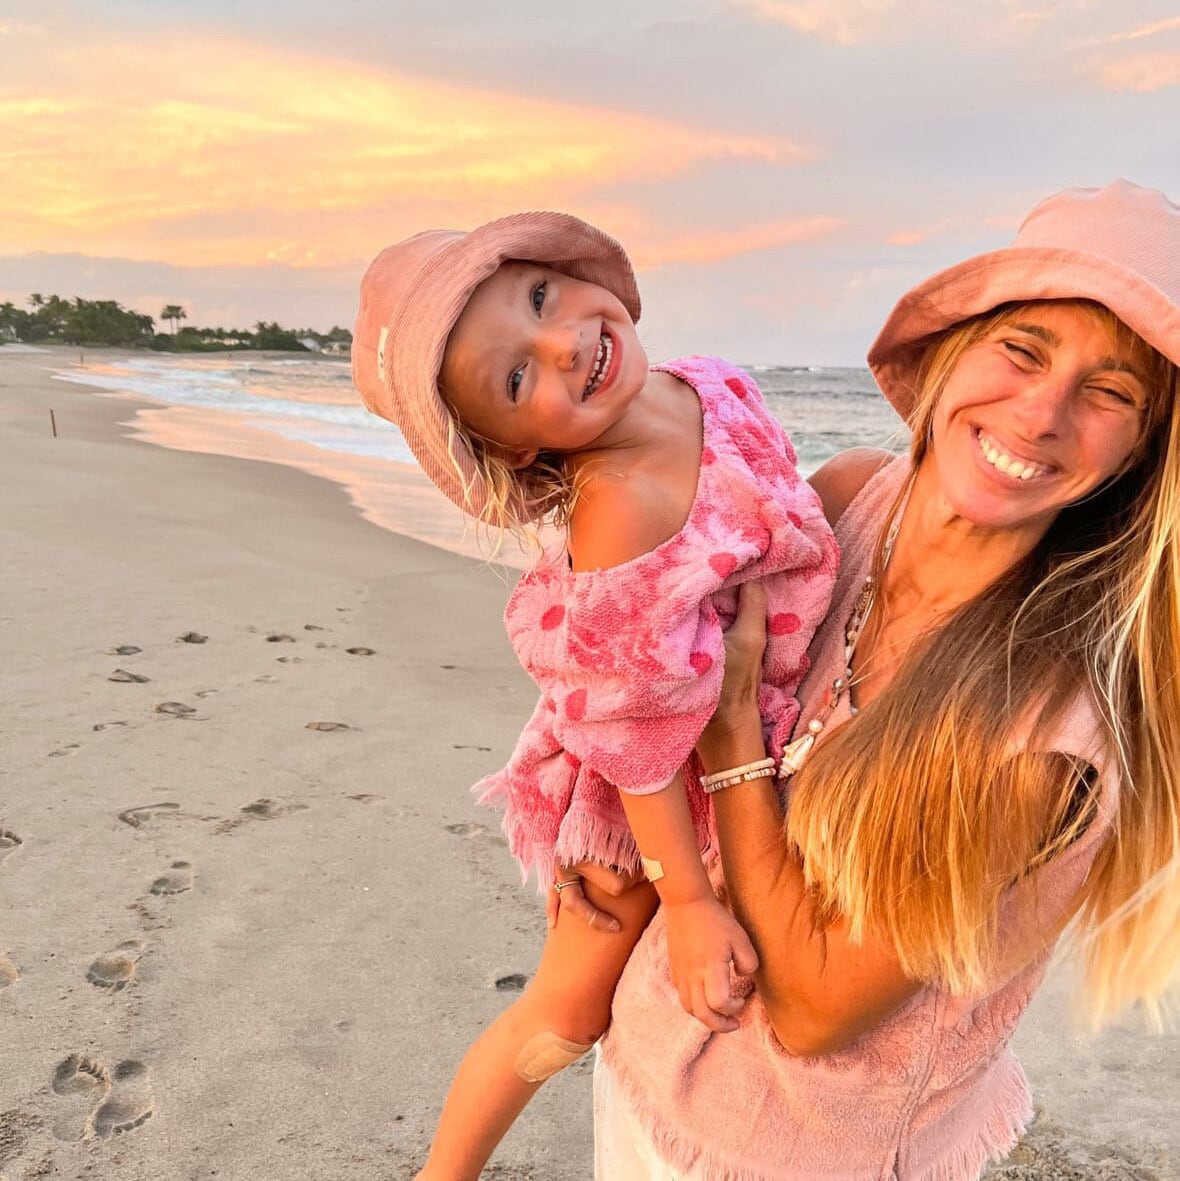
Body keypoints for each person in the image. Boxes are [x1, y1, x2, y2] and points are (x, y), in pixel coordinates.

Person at [590, 179, 1180, 1179]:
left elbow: (818, 1005)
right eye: (1022, 350)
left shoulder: (1045, 735)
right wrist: (610, 840)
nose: (1039, 415)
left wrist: (734, 740)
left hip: (799, 1153)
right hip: (647, 1057)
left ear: (1141, 453)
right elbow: (647, 669)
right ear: (955, 352)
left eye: (1110, 391)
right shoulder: (847, 498)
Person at [350, 212, 838, 1178]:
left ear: (565, 268)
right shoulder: (624, 508)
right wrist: (690, 903)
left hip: (749, 730)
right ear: (521, 450)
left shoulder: (711, 384)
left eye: (540, 300)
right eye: (519, 379)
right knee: (567, 1010)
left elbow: (783, 516)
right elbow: (639, 741)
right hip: (645, 800)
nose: (566, 344)